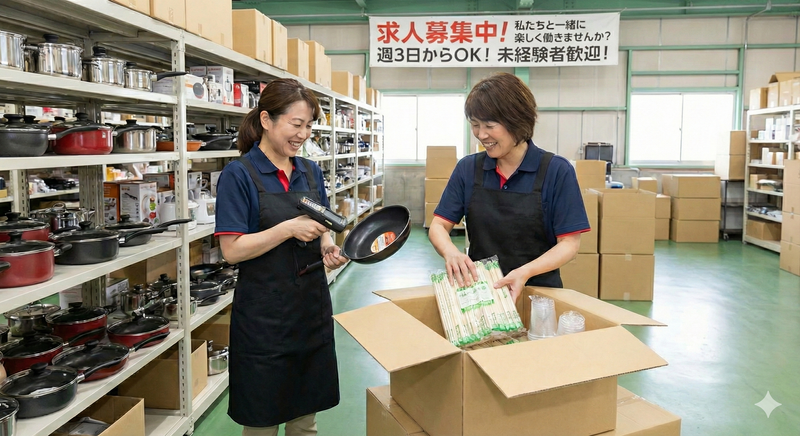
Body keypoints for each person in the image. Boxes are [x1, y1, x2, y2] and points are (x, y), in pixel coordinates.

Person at [214, 78, 348, 436]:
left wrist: (327, 246)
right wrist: (288, 229)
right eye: (296, 124)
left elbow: (322, 227)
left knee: (305, 421)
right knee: (263, 420)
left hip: (309, 310)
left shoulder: (310, 171)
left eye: (309, 126)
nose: (303, 134)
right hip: (265, 319)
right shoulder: (239, 175)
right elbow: (232, 250)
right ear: (266, 120)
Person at [428, 72, 589, 303]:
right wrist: (451, 252)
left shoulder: (556, 171)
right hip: (484, 294)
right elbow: (438, 225)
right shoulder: (468, 169)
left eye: (489, 125)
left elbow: (570, 243)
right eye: (475, 125)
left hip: (538, 294)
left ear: (517, 121)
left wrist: (525, 272)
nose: (481, 135)